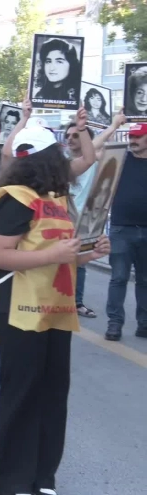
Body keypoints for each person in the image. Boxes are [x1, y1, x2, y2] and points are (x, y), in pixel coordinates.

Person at [0, 123, 110, 495]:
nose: (66, 160)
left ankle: (44, 477)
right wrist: (57, 253)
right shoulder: (16, 198)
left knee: (53, 393)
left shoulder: (55, 198)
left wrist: (89, 253)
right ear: (47, 160)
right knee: (22, 394)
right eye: (60, 154)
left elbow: (59, 258)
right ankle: (13, 481)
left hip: (55, 309)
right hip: (18, 309)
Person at [105, 122, 147, 341]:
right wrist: (113, 125)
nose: (132, 140)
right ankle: (114, 324)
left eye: (138, 136)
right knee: (118, 278)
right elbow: (97, 152)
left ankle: (144, 324)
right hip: (122, 229)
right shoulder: (121, 158)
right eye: (131, 136)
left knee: (145, 280)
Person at [78, 156, 117, 239]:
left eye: (105, 191)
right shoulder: (81, 219)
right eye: (100, 190)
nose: (100, 198)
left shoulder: (102, 220)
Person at [33, 38, 81, 102]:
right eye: (48, 61)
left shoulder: (77, 96)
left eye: (59, 62)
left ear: (71, 65)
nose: (52, 68)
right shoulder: (39, 96)